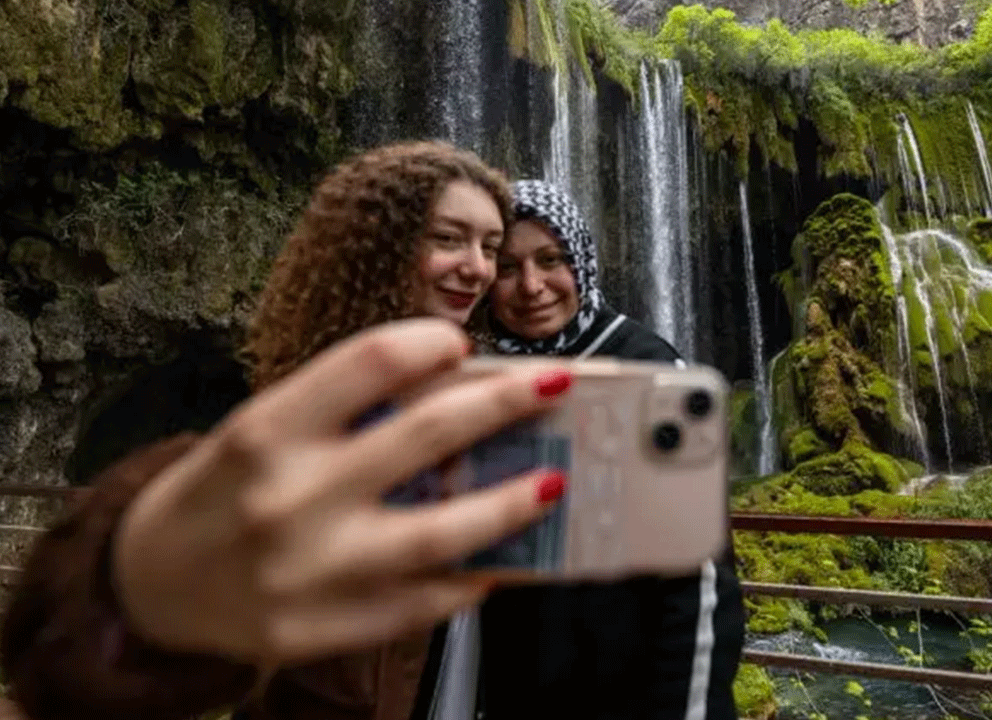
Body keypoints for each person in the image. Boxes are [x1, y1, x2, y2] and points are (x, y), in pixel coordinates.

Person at [0, 141, 578, 720]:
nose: (477, 267)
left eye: (490, 248)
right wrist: (131, 588)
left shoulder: (487, 393)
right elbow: (66, 643)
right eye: (448, 239)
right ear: (379, 245)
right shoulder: (294, 412)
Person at [475, 179, 746, 720]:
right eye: (507, 267)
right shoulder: (486, 378)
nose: (531, 286)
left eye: (550, 260)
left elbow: (700, 580)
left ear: (580, 262)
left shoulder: (646, 369)